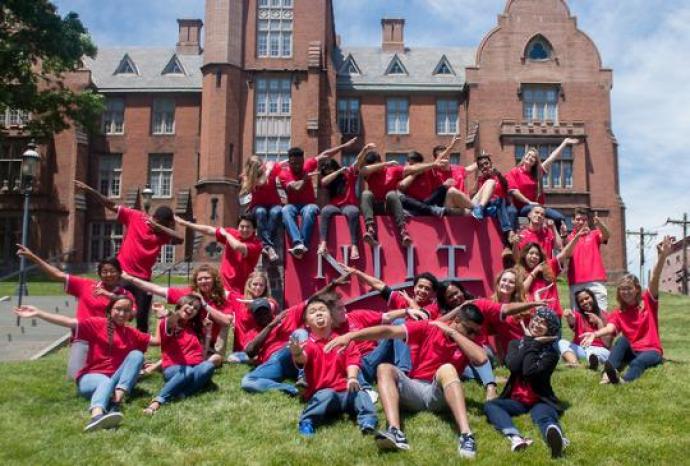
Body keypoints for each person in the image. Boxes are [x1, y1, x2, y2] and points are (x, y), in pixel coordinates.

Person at [325, 304, 488, 459]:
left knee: (447, 368)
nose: (472, 335)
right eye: (469, 330)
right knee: (384, 368)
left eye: (475, 333)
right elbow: (389, 331)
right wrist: (351, 335)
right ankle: (395, 431)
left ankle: (467, 436)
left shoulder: (467, 341)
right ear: (457, 320)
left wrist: (454, 334)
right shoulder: (430, 327)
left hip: (439, 393)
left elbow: (481, 359)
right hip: (415, 388)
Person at [14, 296, 150, 432]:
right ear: (110, 310)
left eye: (126, 310)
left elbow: (157, 340)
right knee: (106, 382)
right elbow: (70, 322)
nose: (121, 314)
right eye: (118, 309)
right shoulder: (96, 324)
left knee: (137, 355)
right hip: (90, 377)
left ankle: (116, 400)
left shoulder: (132, 333)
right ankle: (96, 416)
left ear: (131, 314)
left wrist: (165, 320)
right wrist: (39, 313)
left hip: (114, 379)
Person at [74, 180, 184, 333]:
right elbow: (110, 205)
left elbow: (180, 238)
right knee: (113, 309)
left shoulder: (162, 235)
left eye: (159, 223)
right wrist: (90, 190)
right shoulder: (136, 217)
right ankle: (107, 337)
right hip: (123, 275)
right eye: (155, 220)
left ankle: (140, 349)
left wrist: (159, 228)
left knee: (141, 316)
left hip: (143, 280)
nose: (154, 223)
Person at [16, 246, 136, 378]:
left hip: (111, 342)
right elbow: (58, 275)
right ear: (99, 274)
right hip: (83, 339)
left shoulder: (126, 295)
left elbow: (131, 315)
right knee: (75, 377)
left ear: (119, 273)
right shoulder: (86, 285)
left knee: (111, 377)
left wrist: (110, 296)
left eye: (112, 271)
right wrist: (34, 257)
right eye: (104, 272)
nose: (108, 275)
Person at [581, 236, 673, 384]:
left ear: (636, 290)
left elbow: (654, 278)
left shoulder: (648, 301)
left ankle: (624, 381)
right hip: (633, 350)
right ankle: (608, 373)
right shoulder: (619, 313)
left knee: (638, 363)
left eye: (629, 289)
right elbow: (611, 328)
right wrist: (594, 334)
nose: (625, 292)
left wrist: (662, 257)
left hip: (651, 350)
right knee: (622, 341)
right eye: (622, 289)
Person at [484, 308, 569, 458]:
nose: (536, 324)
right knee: (491, 405)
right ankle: (515, 437)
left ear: (550, 330)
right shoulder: (515, 344)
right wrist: (531, 342)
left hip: (541, 400)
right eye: (536, 320)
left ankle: (556, 437)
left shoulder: (551, 354)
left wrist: (534, 345)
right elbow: (514, 367)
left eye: (543, 323)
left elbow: (529, 373)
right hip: (517, 401)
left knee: (543, 416)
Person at [290, 297, 378, 437]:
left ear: (331, 318)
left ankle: (368, 422)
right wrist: (297, 353)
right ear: (306, 323)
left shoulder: (344, 341)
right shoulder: (309, 344)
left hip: (346, 391)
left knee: (361, 395)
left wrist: (352, 378)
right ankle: (307, 422)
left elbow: (353, 361)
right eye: (312, 312)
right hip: (323, 393)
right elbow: (303, 359)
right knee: (327, 395)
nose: (318, 313)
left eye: (322, 310)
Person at [121, 264, 233, 366]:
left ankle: (194, 361)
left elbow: (227, 322)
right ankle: (172, 363)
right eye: (200, 279)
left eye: (207, 278)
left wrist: (203, 303)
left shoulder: (221, 298)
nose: (203, 281)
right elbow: (156, 289)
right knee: (177, 316)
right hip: (190, 341)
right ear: (196, 281)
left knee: (215, 357)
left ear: (214, 280)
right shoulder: (188, 294)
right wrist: (131, 279)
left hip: (210, 343)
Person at [280, 139, 357, 258]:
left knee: (310, 210)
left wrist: (343, 145)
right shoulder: (284, 173)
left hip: (309, 204)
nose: (297, 166)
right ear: (289, 162)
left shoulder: (307, 165)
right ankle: (298, 243)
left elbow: (325, 155)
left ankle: (302, 246)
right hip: (293, 205)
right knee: (285, 210)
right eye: (294, 163)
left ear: (303, 160)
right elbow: (296, 188)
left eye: (300, 163)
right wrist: (305, 179)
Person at [143, 295, 216, 414]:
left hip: (195, 367)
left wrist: (208, 332)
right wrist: (167, 313)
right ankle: (158, 401)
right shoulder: (169, 323)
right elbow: (170, 321)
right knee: (187, 371)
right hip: (174, 367)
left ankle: (181, 394)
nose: (192, 309)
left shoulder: (193, 328)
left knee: (208, 366)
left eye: (196, 308)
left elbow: (202, 355)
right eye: (189, 305)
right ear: (180, 304)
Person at [175, 214, 262, 295]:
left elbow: (237, 246)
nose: (244, 230)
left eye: (248, 227)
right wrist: (186, 224)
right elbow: (209, 230)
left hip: (241, 288)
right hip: (223, 285)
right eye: (242, 226)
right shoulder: (232, 234)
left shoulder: (256, 244)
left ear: (254, 229)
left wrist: (226, 234)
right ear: (238, 227)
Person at [505, 138, 578, 230]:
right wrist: (529, 202)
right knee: (531, 216)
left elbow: (551, 158)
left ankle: (561, 238)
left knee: (559, 218)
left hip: (537, 207)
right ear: (524, 157)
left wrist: (565, 142)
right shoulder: (514, 172)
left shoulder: (537, 174)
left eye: (534, 157)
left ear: (535, 162)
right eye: (529, 155)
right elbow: (514, 192)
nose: (530, 158)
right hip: (522, 210)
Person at [317, 142, 372, 259]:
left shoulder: (348, 174)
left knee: (353, 212)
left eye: (330, 170)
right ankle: (323, 243)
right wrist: (337, 172)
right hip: (334, 206)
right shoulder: (331, 179)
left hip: (348, 205)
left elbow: (357, 162)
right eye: (327, 172)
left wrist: (365, 149)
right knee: (325, 211)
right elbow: (323, 182)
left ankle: (354, 246)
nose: (328, 173)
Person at [518, 228, 585, 318]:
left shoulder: (549, 265)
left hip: (553, 314)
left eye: (537, 254)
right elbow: (521, 291)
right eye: (531, 253)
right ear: (525, 255)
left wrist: (577, 237)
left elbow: (565, 253)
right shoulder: (521, 270)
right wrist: (534, 272)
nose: (534, 256)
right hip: (533, 317)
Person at [239, 155, 286, 263]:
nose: (261, 168)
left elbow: (282, 166)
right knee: (261, 212)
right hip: (257, 206)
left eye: (261, 165)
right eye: (257, 167)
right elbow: (260, 183)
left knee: (276, 212)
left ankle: (266, 245)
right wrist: (269, 169)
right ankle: (268, 246)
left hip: (274, 204)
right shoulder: (247, 177)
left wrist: (279, 164)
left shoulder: (270, 168)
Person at [358, 150, 410, 246]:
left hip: (388, 206)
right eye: (372, 166)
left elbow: (410, 169)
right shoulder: (370, 174)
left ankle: (403, 232)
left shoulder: (393, 170)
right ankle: (370, 229)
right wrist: (385, 163)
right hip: (374, 207)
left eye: (375, 165)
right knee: (366, 194)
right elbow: (362, 171)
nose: (375, 168)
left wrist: (433, 165)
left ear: (379, 160)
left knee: (392, 194)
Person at [470, 154, 517, 252]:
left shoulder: (499, 177)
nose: (484, 167)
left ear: (491, 164)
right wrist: (477, 182)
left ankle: (508, 245)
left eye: (486, 163)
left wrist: (498, 175)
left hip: (501, 206)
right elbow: (472, 196)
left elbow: (505, 185)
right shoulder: (479, 180)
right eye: (481, 166)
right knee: (500, 202)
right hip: (487, 207)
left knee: (512, 210)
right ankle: (508, 232)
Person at [567, 208, 611, 310]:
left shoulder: (594, 234)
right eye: (578, 219)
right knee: (578, 318)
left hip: (596, 281)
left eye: (584, 219)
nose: (581, 222)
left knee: (601, 313)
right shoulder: (569, 238)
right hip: (576, 282)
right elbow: (565, 253)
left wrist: (600, 224)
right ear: (572, 221)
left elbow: (607, 235)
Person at [558, 288, 612, 370]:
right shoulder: (578, 315)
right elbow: (572, 321)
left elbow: (607, 343)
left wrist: (599, 322)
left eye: (587, 298)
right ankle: (575, 364)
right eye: (581, 301)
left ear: (593, 298)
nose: (585, 302)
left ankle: (593, 361)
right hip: (582, 349)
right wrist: (569, 316)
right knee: (562, 342)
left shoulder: (605, 316)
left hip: (599, 349)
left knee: (598, 353)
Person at [397, 150, 449, 217]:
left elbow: (439, 159)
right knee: (398, 196)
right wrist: (414, 174)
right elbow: (402, 186)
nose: (412, 168)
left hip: (426, 202)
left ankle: (421, 211)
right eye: (410, 165)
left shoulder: (427, 171)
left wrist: (450, 147)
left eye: (414, 165)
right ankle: (430, 210)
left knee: (443, 188)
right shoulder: (402, 172)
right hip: (411, 204)